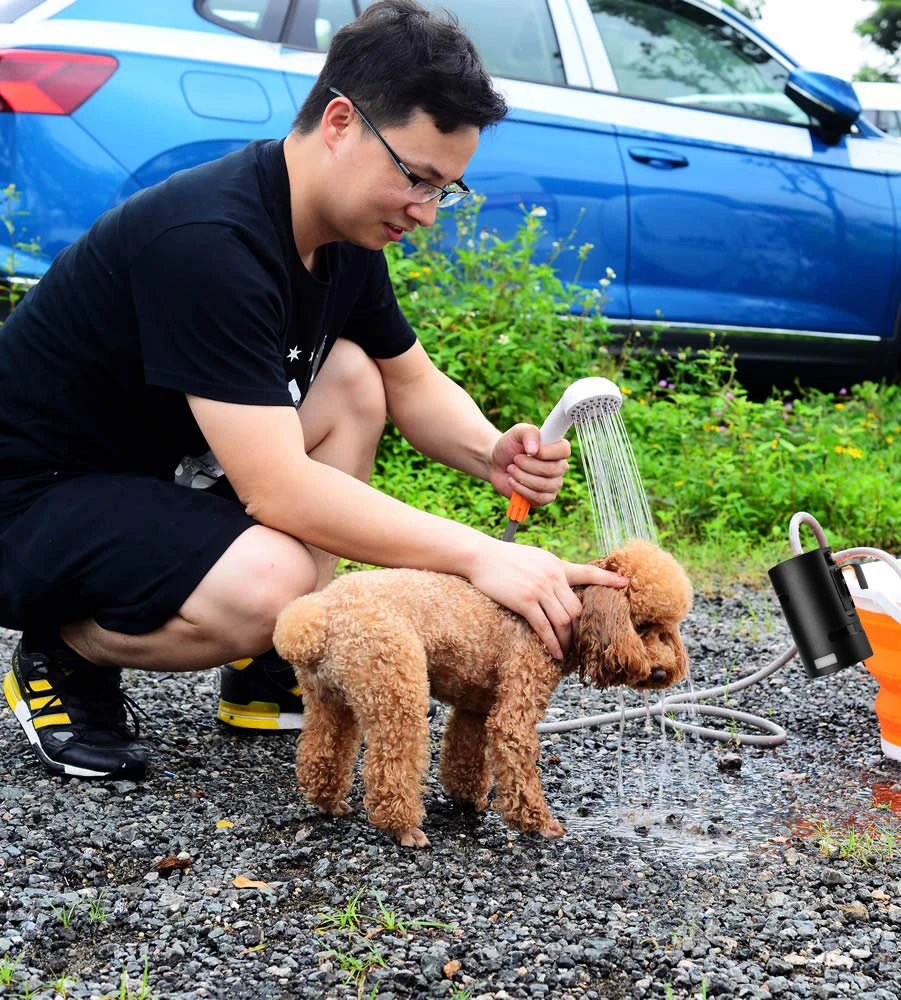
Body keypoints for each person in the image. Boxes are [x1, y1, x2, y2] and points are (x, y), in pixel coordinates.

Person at [0, 0, 628, 780]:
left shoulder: (339, 235)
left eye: (447, 191)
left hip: (143, 480)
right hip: (32, 502)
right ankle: (63, 651)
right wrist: (480, 558)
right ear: (340, 122)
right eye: (418, 179)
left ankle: (267, 663)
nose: (426, 213)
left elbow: (411, 382)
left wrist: (492, 452)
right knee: (273, 577)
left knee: (352, 379)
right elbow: (279, 491)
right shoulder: (210, 243)